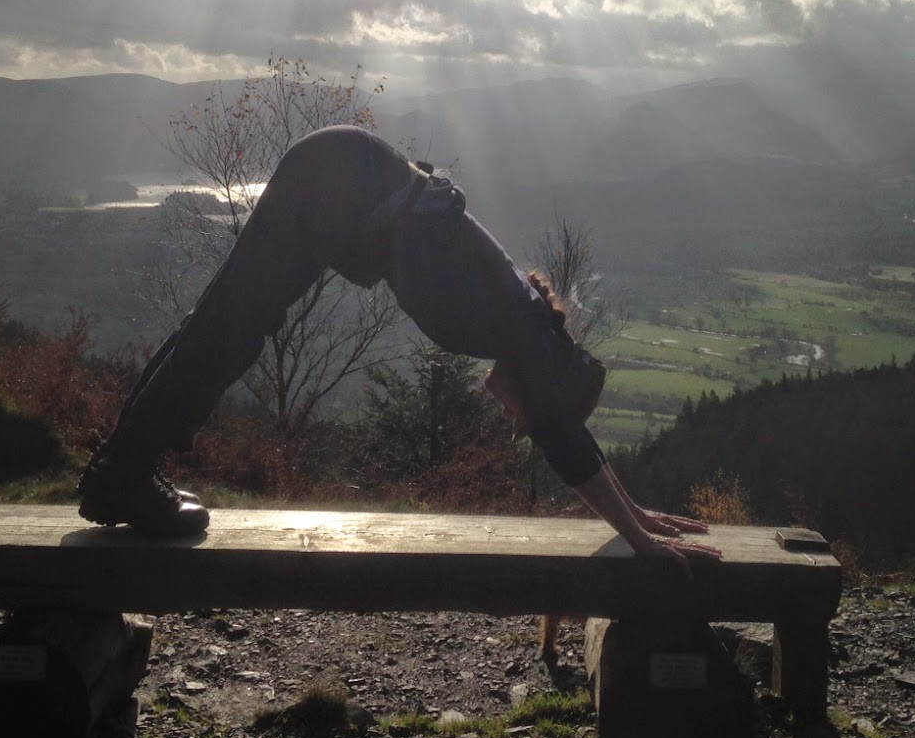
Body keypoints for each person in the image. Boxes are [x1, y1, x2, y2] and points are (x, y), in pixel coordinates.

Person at [79, 124, 720, 565]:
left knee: (226, 323)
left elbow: (563, 426)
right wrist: (639, 536)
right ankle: (124, 475)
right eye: (524, 412)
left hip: (337, 171)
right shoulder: (521, 327)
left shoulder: (522, 322)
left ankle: (121, 469)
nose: (514, 419)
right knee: (229, 329)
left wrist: (638, 512)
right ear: (545, 382)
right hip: (337, 181)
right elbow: (562, 434)